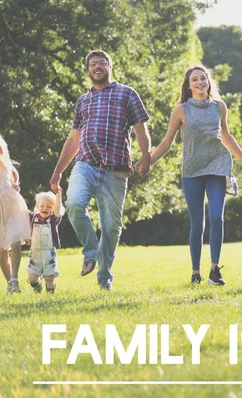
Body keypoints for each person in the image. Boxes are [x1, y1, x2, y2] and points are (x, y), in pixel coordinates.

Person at [136, 65, 242, 286]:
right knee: (197, 223)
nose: (200, 82)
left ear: (209, 82)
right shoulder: (181, 110)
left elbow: (226, 137)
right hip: (192, 170)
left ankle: (215, 270)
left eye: (203, 78)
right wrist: (147, 161)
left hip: (218, 165)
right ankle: (195, 272)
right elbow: (166, 143)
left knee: (217, 217)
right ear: (188, 85)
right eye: (195, 80)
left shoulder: (219, 107)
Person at [49, 49, 151, 290]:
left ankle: (104, 277)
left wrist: (146, 157)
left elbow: (140, 130)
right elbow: (73, 139)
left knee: (111, 227)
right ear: (88, 71)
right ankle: (90, 252)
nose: (97, 67)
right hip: (85, 164)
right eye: (93, 64)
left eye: (102, 63)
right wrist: (58, 171)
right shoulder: (83, 101)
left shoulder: (127, 93)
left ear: (109, 67)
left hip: (115, 170)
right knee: (73, 204)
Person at [0, 133, 31, 293]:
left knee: (15, 242)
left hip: (11, 205)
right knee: (1, 250)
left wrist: (16, 187)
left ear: (2, 151)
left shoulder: (7, 165)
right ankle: (10, 283)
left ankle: (15, 279)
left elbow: (14, 182)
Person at [26, 189, 65, 293]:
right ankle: (37, 285)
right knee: (31, 278)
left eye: (49, 206)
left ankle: (50, 294)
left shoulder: (53, 220)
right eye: (42, 206)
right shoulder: (33, 217)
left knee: (49, 278)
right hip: (35, 254)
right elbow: (21, 210)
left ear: (53, 209)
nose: (45, 208)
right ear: (37, 207)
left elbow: (58, 207)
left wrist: (58, 193)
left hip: (49, 253)